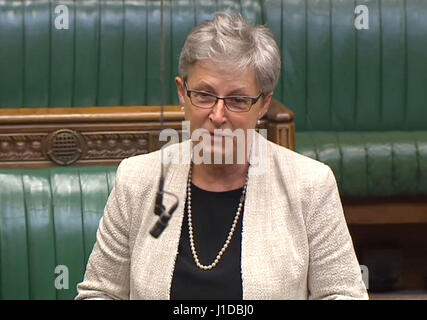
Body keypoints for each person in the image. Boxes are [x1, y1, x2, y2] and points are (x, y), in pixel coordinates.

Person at [76, 12, 368, 300]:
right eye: (204, 95)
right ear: (182, 92)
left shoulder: (310, 185)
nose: (218, 116)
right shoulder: (136, 180)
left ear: (264, 104)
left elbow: (343, 294)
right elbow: (99, 293)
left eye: (238, 100)